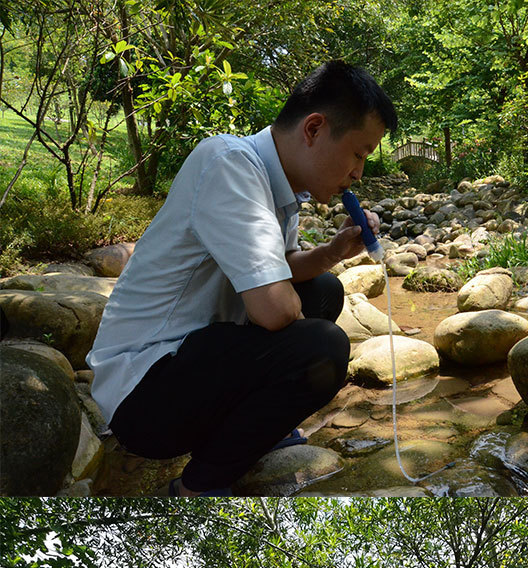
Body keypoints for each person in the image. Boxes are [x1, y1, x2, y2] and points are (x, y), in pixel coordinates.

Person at [86, 61, 397, 496]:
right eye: (359, 154)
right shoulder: (230, 164)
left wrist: (330, 253)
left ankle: (249, 435)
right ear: (314, 129)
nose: (359, 173)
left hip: (191, 363)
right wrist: (288, 314)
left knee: (323, 291)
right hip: (144, 394)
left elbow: (282, 265)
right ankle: (197, 487)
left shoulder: (276, 183)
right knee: (322, 347)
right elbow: (273, 311)